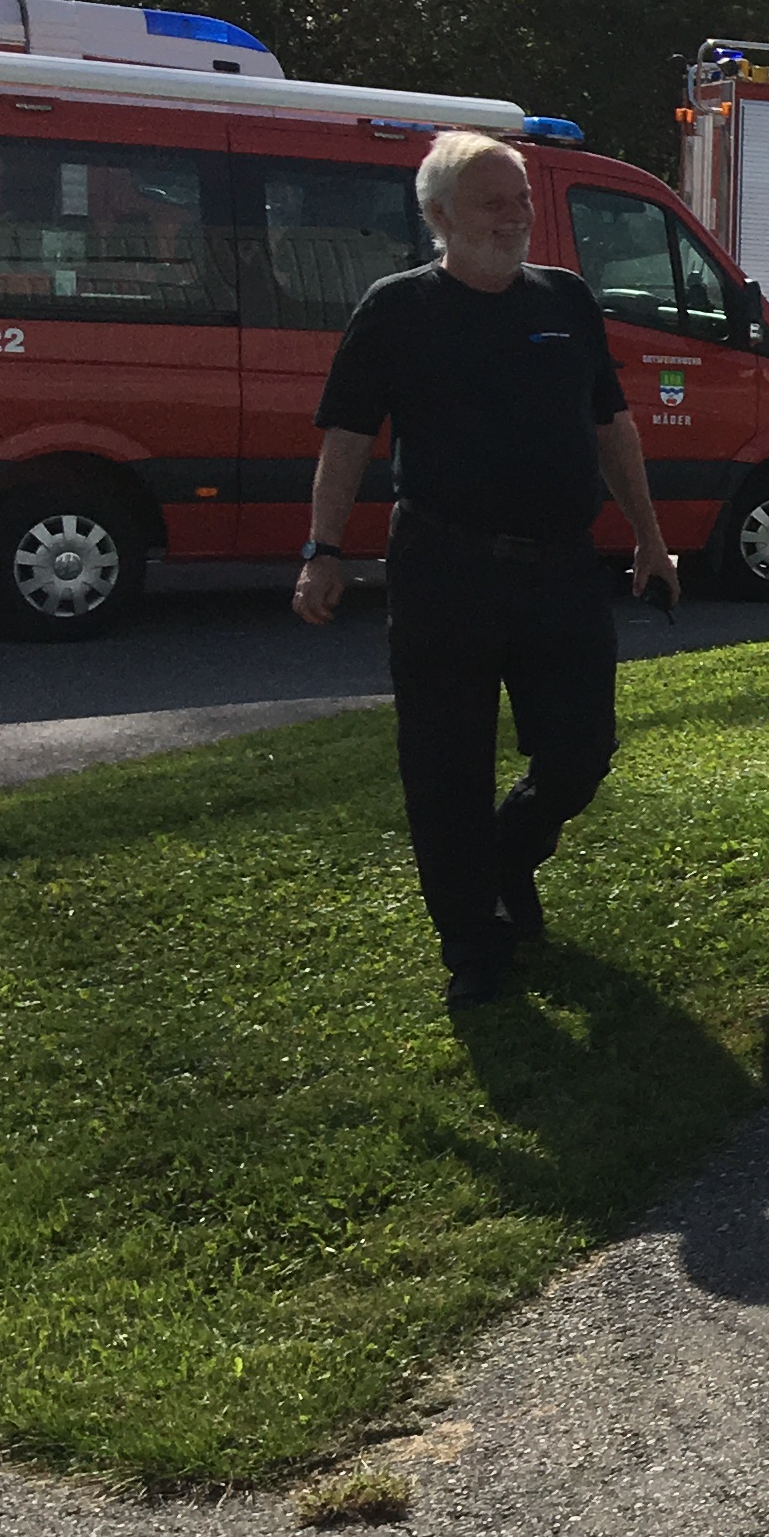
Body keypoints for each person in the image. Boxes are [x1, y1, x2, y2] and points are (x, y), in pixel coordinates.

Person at [292, 130, 682, 1010]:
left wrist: (651, 539)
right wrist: (324, 550)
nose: (516, 216)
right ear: (440, 215)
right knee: (446, 768)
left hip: (560, 568)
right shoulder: (397, 308)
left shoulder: (566, 299)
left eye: (522, 199)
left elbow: (612, 426)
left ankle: (510, 852)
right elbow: (347, 436)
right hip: (444, 567)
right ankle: (471, 943)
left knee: (581, 751)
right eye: (493, 202)